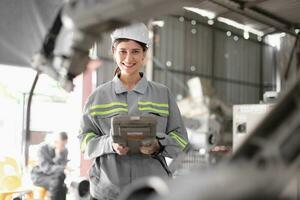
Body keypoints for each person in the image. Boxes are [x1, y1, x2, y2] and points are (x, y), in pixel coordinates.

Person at [79, 23, 188, 200]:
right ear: (113, 52)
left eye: (135, 51)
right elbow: (84, 141)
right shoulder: (98, 96)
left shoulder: (162, 94)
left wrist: (158, 145)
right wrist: (110, 144)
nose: (128, 58)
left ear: (144, 54)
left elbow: (181, 138)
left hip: (151, 192)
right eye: (123, 51)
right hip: (108, 192)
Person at [31, 131, 68, 200]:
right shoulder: (42, 148)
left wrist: (58, 156)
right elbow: (46, 169)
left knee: (62, 185)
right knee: (58, 184)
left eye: (65, 144)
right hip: (39, 175)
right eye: (62, 144)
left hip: (56, 177)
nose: (64, 147)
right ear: (56, 141)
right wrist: (62, 167)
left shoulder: (64, 151)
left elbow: (61, 170)